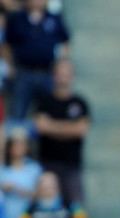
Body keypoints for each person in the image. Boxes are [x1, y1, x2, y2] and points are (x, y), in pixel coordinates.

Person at [33, 58, 91, 203]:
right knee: (46, 207)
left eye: (67, 74)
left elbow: (80, 130)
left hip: (72, 165)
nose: (64, 77)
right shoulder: (45, 102)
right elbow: (41, 127)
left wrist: (52, 126)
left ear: (72, 76)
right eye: (60, 73)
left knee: (76, 207)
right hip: (47, 163)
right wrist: (69, 128)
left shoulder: (80, 103)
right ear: (54, 75)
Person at [4, 0, 70, 123]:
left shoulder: (53, 18)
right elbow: (7, 44)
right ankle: (16, 140)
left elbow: (65, 41)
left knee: (50, 111)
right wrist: (10, 65)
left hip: (47, 72)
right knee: (18, 111)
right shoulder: (17, 18)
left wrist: (62, 63)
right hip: (23, 71)